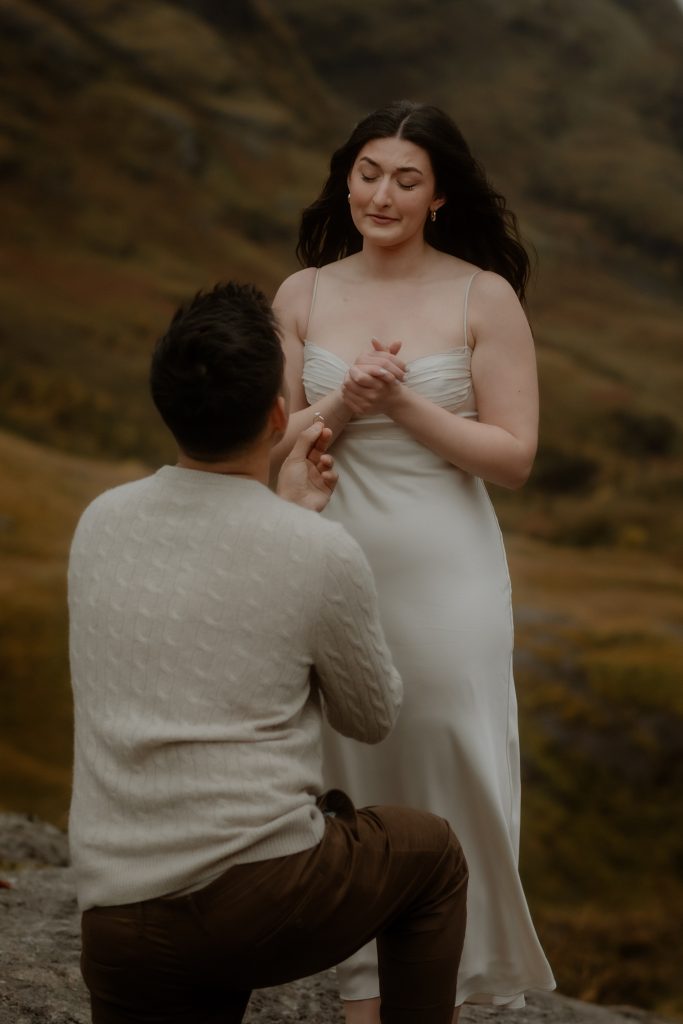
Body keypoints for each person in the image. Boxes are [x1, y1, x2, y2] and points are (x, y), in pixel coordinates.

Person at [67, 281, 469, 1024]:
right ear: (280, 414)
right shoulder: (314, 550)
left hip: (118, 920)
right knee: (431, 855)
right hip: (258, 904)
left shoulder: (100, 523)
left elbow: (201, 598)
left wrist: (284, 516)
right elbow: (371, 714)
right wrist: (299, 527)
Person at [271, 100, 556, 1024]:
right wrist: (346, 404)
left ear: (439, 197)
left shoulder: (484, 296)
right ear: (343, 178)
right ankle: (361, 991)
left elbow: (512, 457)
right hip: (325, 555)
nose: (380, 193)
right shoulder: (302, 294)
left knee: (446, 759)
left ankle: (456, 988)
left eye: (405, 178)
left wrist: (403, 407)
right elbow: (271, 450)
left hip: (447, 574)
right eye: (366, 172)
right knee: (348, 770)